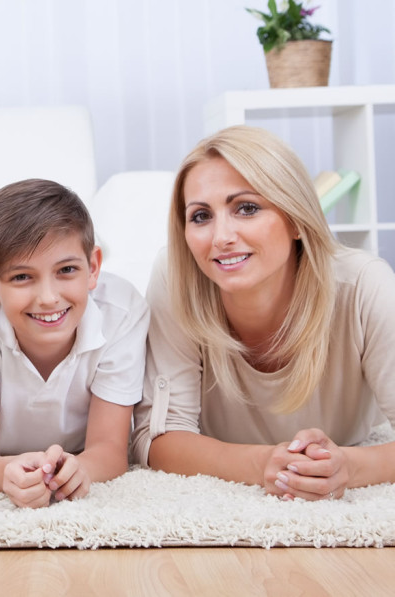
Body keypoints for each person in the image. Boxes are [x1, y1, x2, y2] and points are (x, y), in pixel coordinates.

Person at [132, 125, 395, 501]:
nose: (221, 237)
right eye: (201, 216)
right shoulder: (177, 278)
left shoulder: (366, 286)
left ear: (296, 220)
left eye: (247, 208)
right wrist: (263, 464)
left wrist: (349, 467)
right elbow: (158, 439)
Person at [0, 179, 149, 508]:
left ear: (93, 268)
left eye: (67, 270)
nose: (48, 298)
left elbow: (110, 450)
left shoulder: (123, 311)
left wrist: (80, 471)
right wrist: (6, 473)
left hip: (75, 445)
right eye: (22, 277)